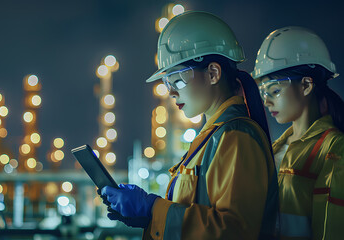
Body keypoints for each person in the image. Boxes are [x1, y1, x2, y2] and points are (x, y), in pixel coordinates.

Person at [99, 11, 279, 239]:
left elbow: (234, 231)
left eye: (177, 79)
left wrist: (152, 207)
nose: (171, 92)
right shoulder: (212, 137)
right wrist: (150, 218)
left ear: (213, 73)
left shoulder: (236, 137)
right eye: (167, 83)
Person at [253, 26, 344, 239]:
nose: (266, 101)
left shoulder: (334, 148)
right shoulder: (275, 147)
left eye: (274, 90)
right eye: (263, 92)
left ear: (305, 85)